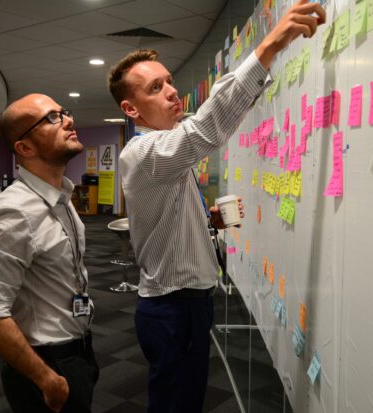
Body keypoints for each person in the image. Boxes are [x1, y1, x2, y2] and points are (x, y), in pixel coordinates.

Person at [107, 1, 326, 412]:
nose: (171, 91)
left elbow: (166, 211)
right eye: (155, 88)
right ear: (131, 109)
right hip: (172, 308)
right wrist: (269, 46)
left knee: (186, 400)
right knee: (176, 404)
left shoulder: (165, 152)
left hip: (187, 303)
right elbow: (206, 128)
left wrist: (206, 219)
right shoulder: (145, 151)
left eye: (168, 81)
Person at [0, 93, 99, 413]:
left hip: (79, 350)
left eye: (63, 112)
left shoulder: (62, 196)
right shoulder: (15, 214)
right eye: (52, 118)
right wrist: (47, 379)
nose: (69, 120)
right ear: (25, 148)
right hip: (45, 363)